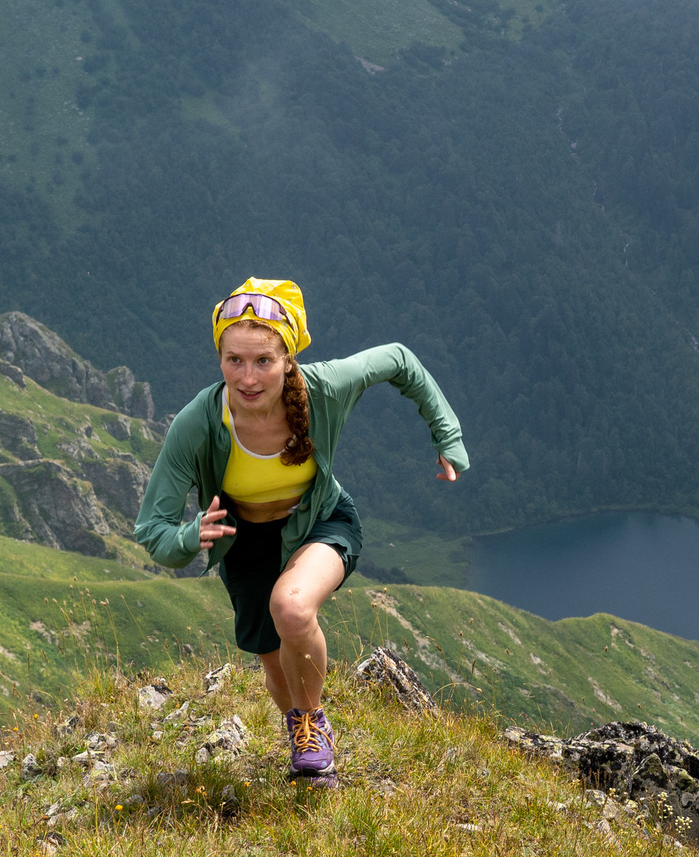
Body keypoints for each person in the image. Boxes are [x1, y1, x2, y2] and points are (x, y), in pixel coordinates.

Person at [133, 279, 467, 779]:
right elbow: (152, 528)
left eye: (263, 360)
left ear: (288, 358)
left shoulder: (324, 388)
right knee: (274, 662)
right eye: (234, 361)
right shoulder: (198, 422)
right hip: (243, 541)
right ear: (219, 358)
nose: (247, 377)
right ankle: (305, 742)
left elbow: (398, 358)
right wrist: (188, 537)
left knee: (290, 607)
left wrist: (449, 438)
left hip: (320, 520)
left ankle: (314, 726)